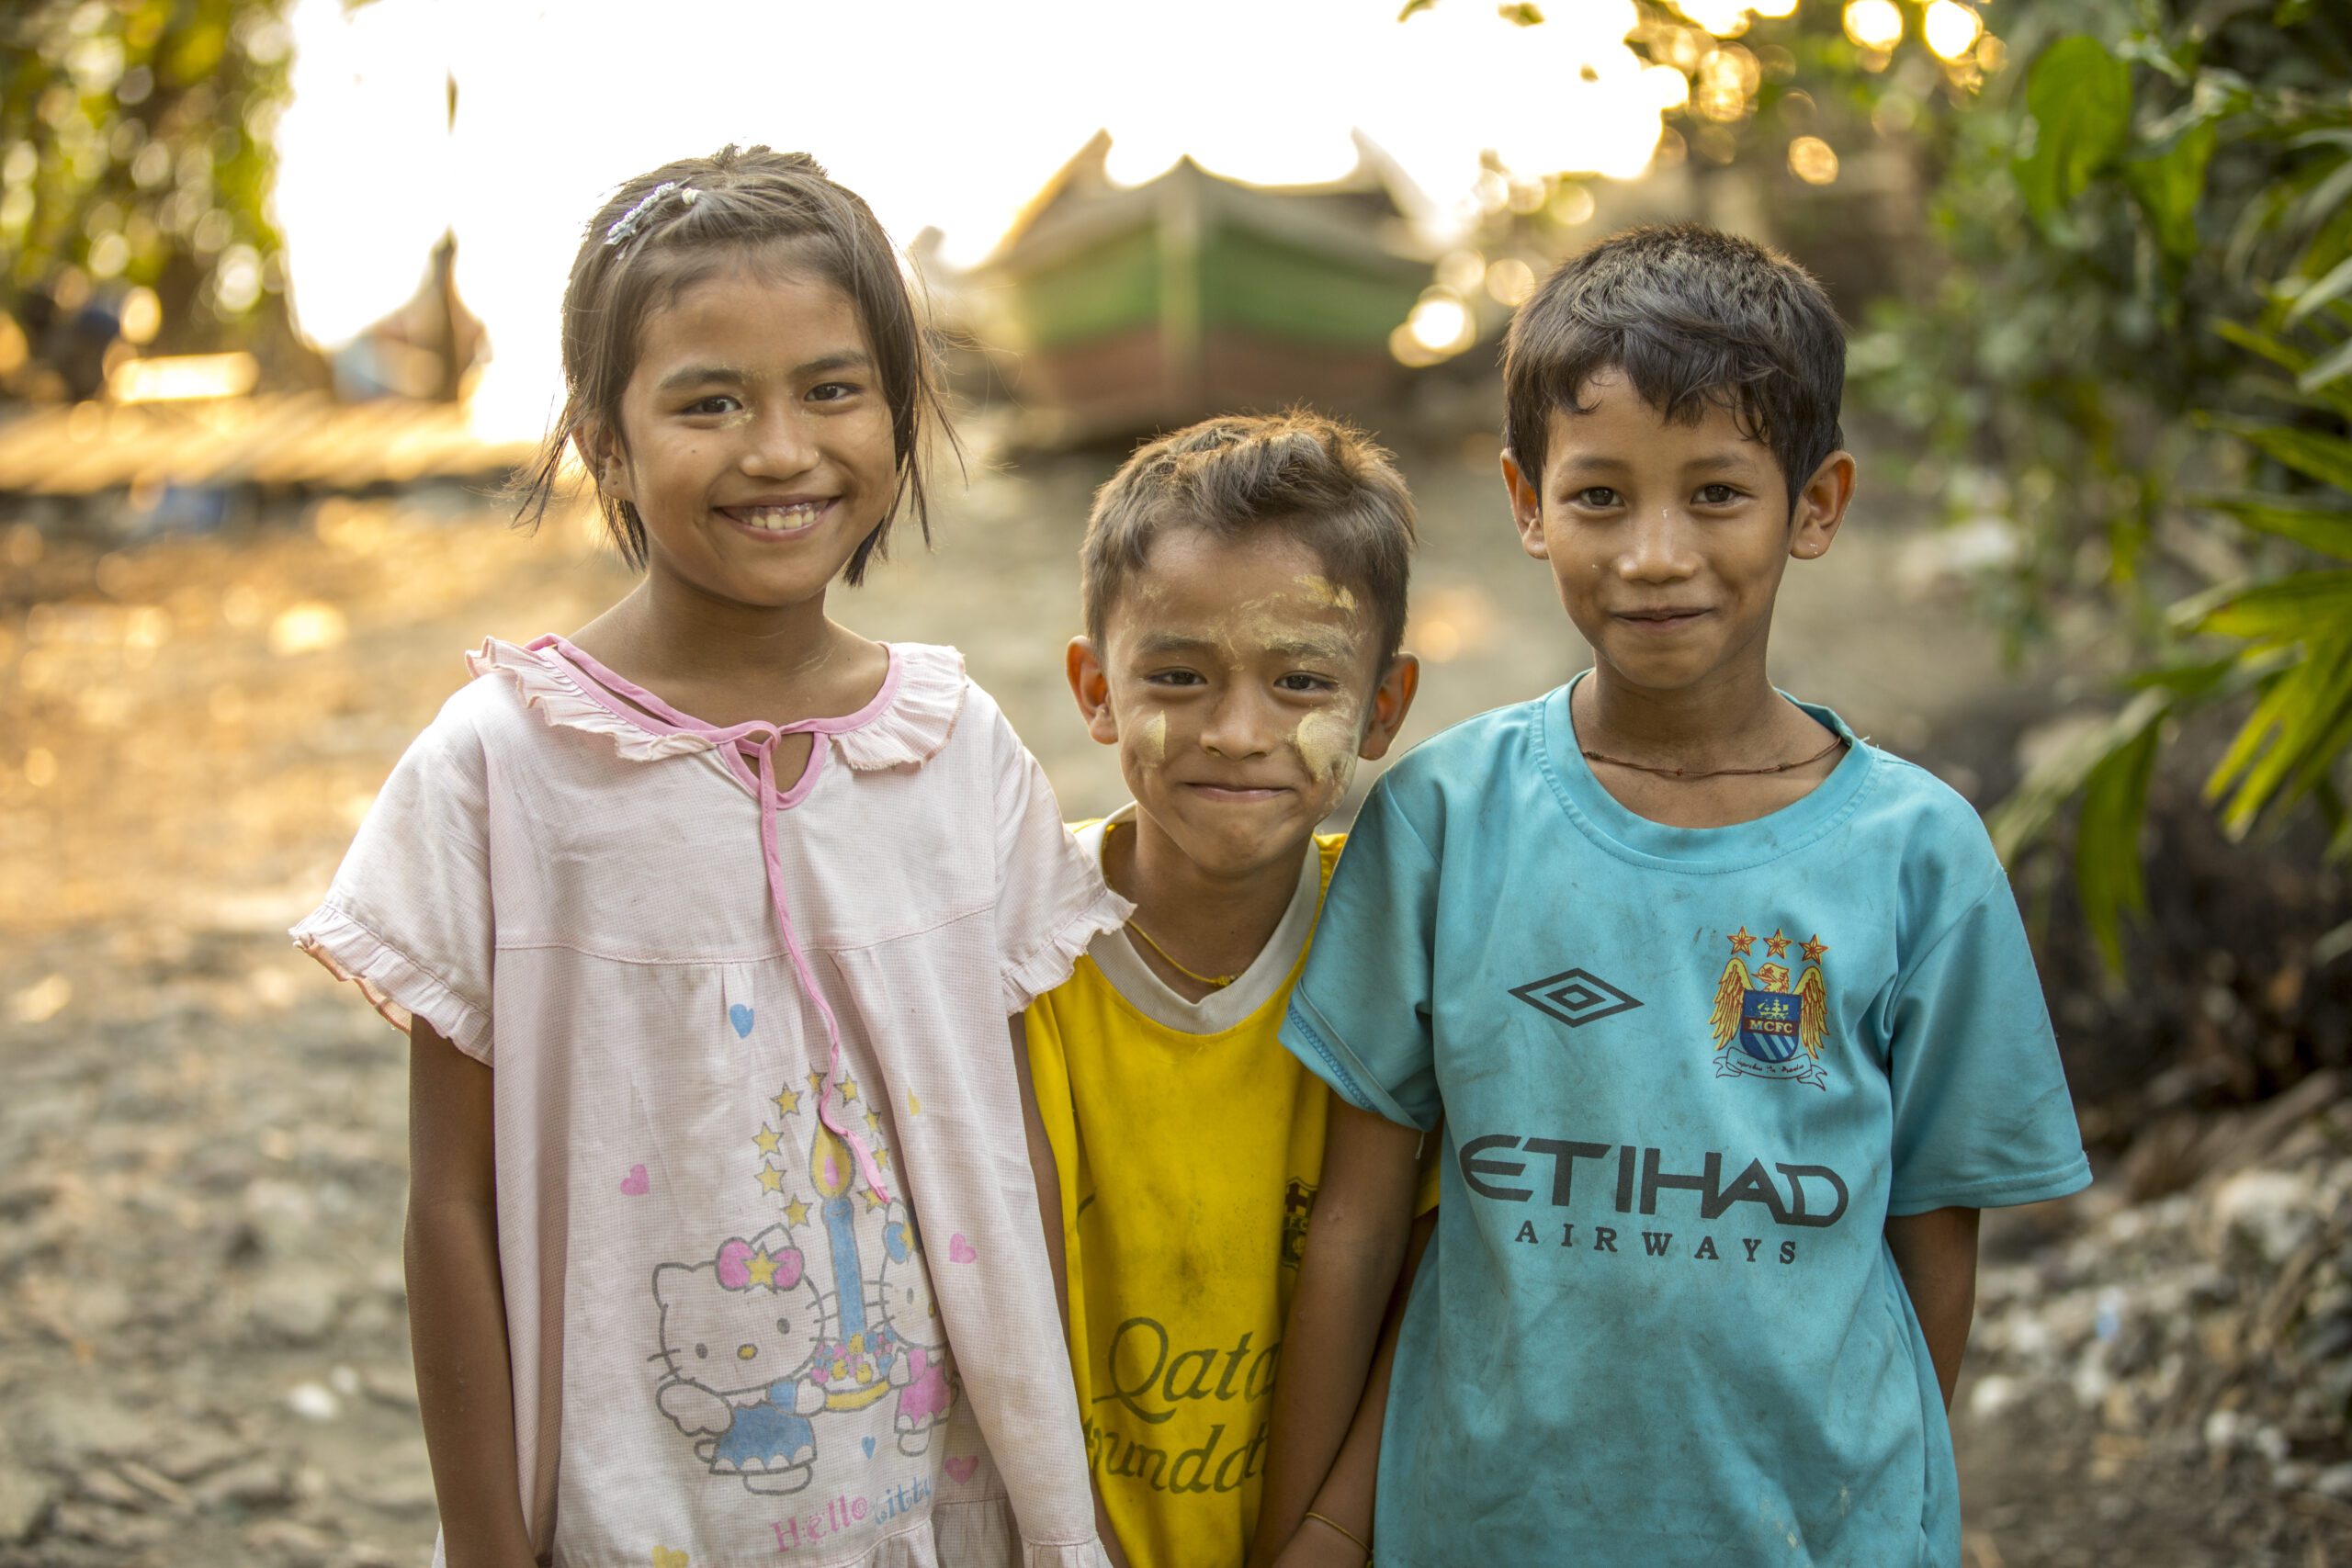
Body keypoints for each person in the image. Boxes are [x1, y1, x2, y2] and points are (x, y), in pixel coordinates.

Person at [290, 146, 1129, 1568]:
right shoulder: (506, 768)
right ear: (603, 440)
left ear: (904, 411)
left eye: (833, 387)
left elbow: (1016, 1153)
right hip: (636, 1518)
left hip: (934, 1509)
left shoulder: (953, 747)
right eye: (708, 401)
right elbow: (448, 1205)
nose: (781, 448)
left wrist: (1060, 1472)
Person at [1258, 225, 2092, 1566]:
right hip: (1482, 1523)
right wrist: (1305, 1526)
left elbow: (1935, 1240)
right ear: (1528, 502)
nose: (1654, 553)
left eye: (1716, 491)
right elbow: (1357, 1226)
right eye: (1601, 497)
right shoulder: (1446, 818)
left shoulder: (1916, 852)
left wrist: (1865, 1501)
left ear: (1815, 504)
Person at [1019, 412, 1435, 1568]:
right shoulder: (1011, 950)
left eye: (1301, 680)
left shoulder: (1409, 944)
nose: (1239, 731)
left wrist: (1330, 1533)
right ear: (1095, 689)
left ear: (1383, 709)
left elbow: (1438, 1285)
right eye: (1178, 676)